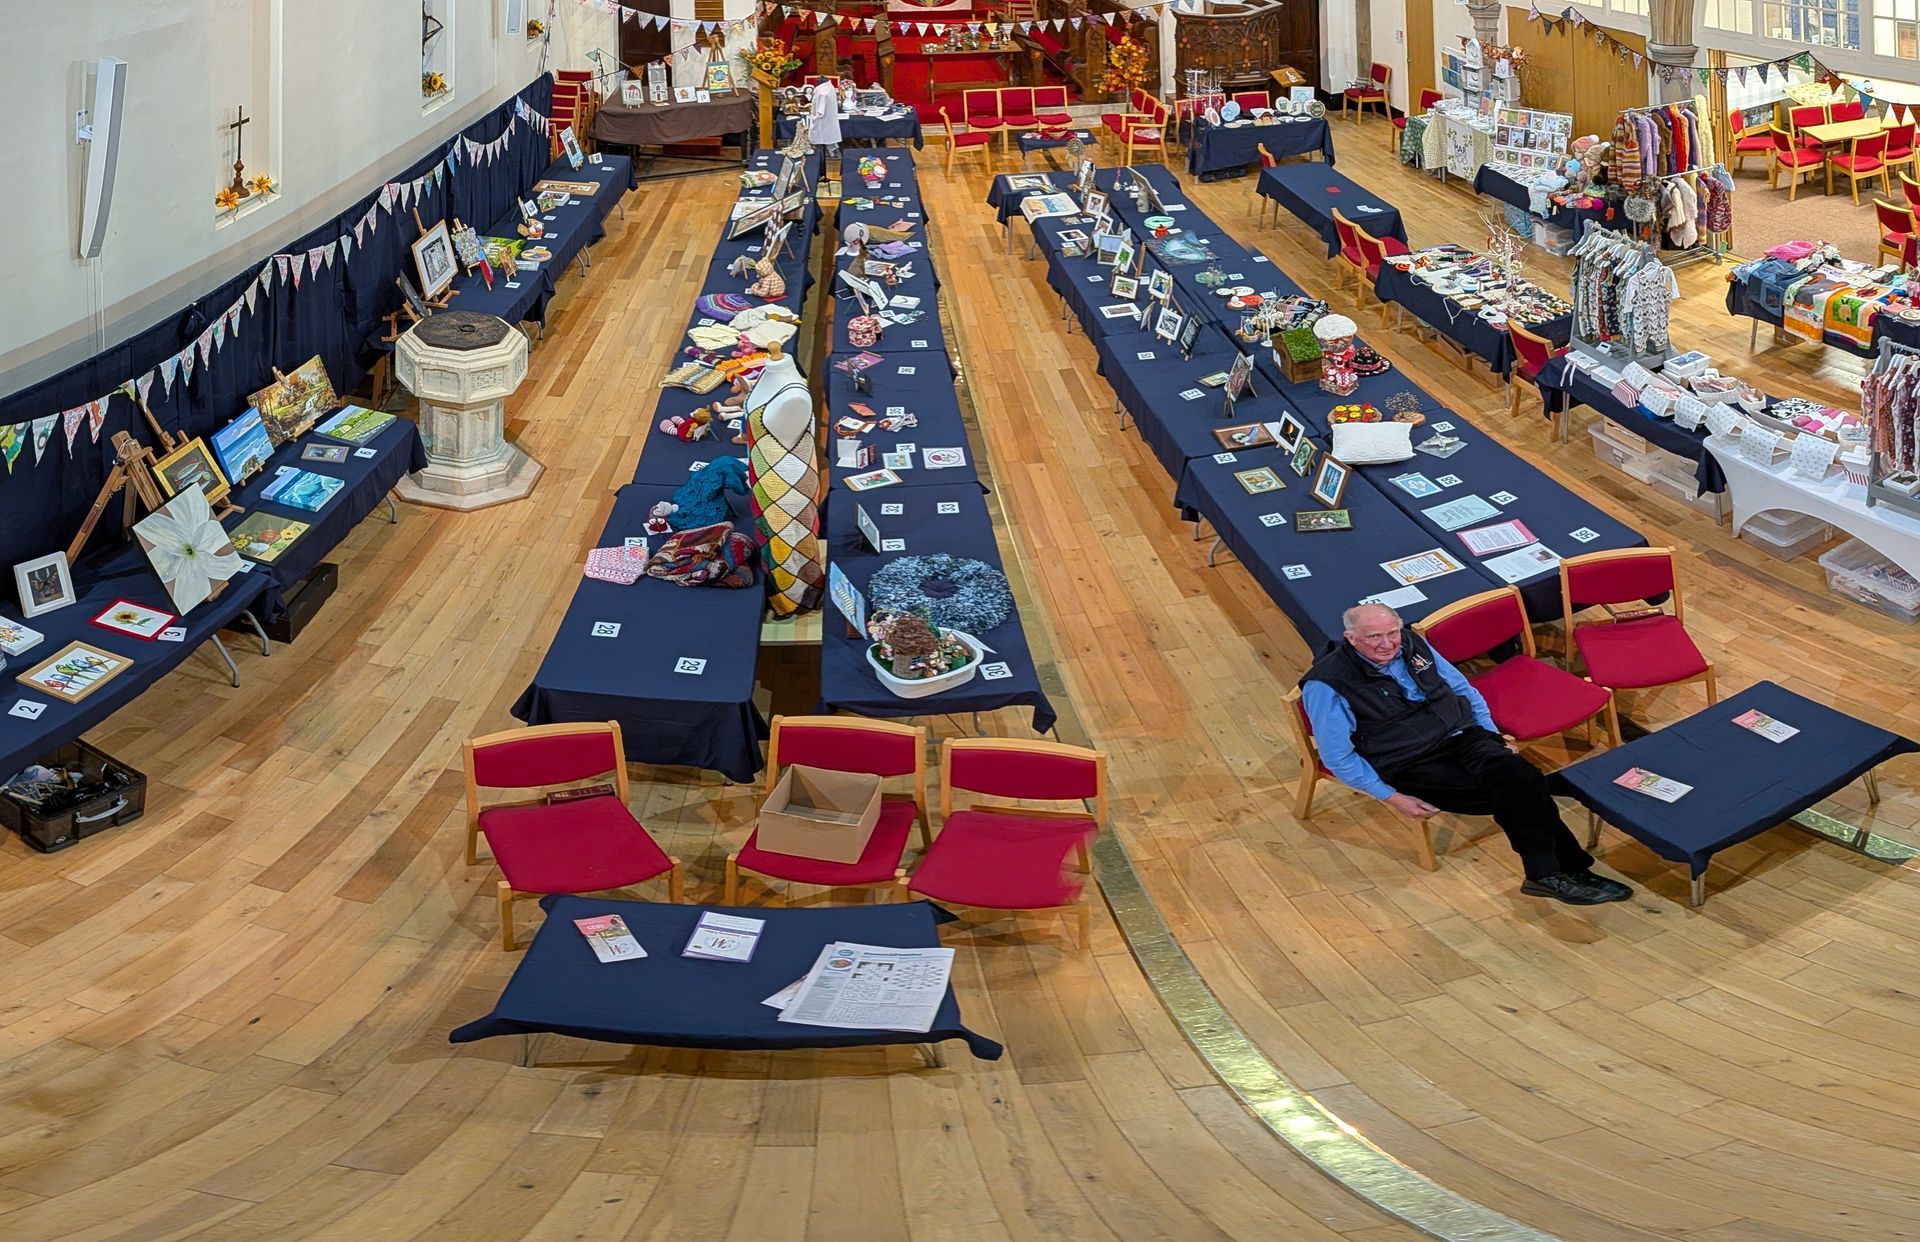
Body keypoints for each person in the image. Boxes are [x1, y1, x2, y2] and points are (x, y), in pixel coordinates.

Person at [1300, 602, 1632, 905]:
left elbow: (1462, 688)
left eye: (1392, 633)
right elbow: (1338, 757)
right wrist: (1392, 797)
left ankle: (1548, 874)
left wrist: (1491, 735)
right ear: (1351, 638)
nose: (1387, 644)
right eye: (1374, 637)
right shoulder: (1327, 684)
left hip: (1463, 735)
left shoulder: (1412, 642)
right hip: (1409, 761)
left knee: (1520, 779)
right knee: (1525, 790)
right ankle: (1568, 868)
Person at [808, 78, 842, 161]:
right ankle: (831, 149)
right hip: (830, 118)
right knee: (829, 136)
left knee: (822, 138)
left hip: (822, 121)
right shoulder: (830, 88)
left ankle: (821, 155)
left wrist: (813, 118)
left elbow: (820, 111)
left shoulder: (822, 93)